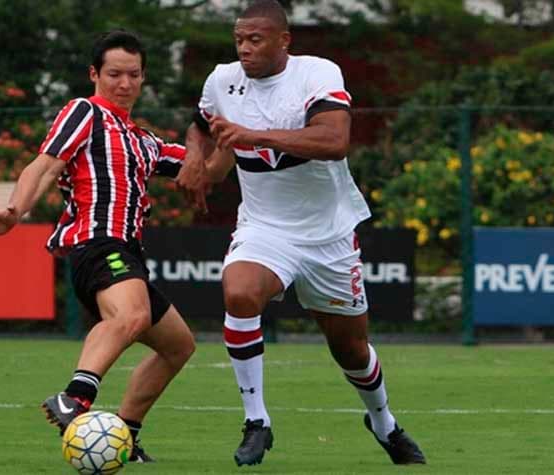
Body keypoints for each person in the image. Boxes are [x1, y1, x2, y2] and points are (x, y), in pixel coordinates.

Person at [175, 0, 426, 467]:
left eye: (255, 40)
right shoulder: (221, 79)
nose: (245, 49)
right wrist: (196, 158)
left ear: (283, 40)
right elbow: (200, 123)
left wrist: (257, 136)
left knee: (350, 348)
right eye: (239, 40)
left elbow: (333, 141)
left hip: (327, 236)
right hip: (265, 228)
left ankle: (384, 422)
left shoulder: (317, 74)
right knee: (240, 292)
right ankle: (257, 422)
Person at [0, 30, 196, 462]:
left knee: (178, 346)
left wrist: (217, 128)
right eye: (114, 74)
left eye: (133, 75)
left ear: (143, 78)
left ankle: (124, 434)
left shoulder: (145, 141)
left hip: (126, 254)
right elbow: (45, 165)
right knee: (132, 315)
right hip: (96, 242)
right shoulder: (84, 113)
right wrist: (16, 211)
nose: (124, 83)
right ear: (95, 74)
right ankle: (75, 396)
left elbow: (200, 166)